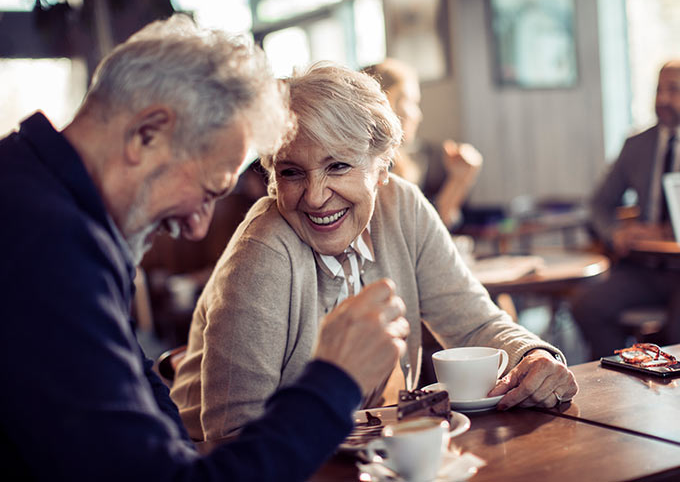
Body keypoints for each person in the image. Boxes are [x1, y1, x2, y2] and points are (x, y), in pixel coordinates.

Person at [0, 15, 411, 482]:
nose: (198, 228)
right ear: (147, 134)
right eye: (209, 189)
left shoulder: (41, 200)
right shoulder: (44, 247)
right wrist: (334, 378)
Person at [171, 62, 578, 441]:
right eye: (292, 172)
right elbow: (233, 434)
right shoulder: (263, 250)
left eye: (337, 166)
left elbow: (472, 322)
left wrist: (534, 355)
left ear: (382, 167)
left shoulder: (403, 206)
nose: (314, 197)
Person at [572, 60, 680, 359]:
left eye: (674, 90)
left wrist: (668, 232)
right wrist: (615, 232)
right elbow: (598, 204)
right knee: (587, 307)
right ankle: (623, 379)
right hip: (643, 268)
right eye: (659, 89)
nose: (663, 99)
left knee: (676, 331)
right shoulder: (637, 145)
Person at [363, 58, 483, 229]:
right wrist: (458, 182)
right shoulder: (371, 170)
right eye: (410, 102)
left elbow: (427, 233)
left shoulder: (402, 164)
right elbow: (413, 236)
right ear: (385, 103)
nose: (417, 115)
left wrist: (459, 179)